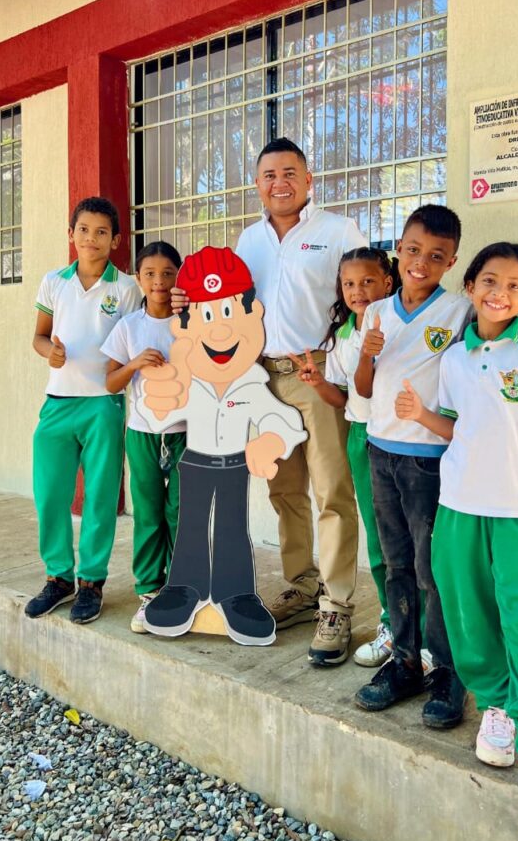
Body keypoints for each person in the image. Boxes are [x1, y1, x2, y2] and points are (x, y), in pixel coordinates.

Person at [396, 242, 518, 834]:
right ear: (471, 286)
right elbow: (457, 428)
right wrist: (421, 416)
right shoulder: (454, 359)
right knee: (469, 618)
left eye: (514, 285)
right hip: (459, 509)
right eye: (490, 280)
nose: (499, 292)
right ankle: (498, 706)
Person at [235, 138, 367, 666]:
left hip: (319, 376)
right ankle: (302, 585)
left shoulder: (338, 231)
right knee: (284, 491)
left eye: (290, 173)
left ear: (309, 180)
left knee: (333, 492)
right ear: (257, 184)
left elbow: (365, 299)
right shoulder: (248, 241)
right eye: (269, 175)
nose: (280, 183)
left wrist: (345, 360)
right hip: (265, 379)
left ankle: (336, 605)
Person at [139, 246, 307, 646]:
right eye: (206, 316)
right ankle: (184, 587)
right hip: (194, 462)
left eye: (229, 312)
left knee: (232, 527)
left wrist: (270, 441)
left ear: (253, 313)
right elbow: (157, 415)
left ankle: (236, 594)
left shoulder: (251, 383)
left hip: (235, 465)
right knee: (191, 526)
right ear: (185, 325)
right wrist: (157, 399)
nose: (218, 332)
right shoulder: (186, 377)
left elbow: (280, 418)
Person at [353, 204, 471, 728]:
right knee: (396, 563)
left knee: (432, 571)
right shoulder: (376, 311)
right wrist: (367, 353)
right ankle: (404, 662)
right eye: (414, 250)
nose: (421, 263)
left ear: (452, 262)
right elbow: (363, 388)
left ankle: (446, 671)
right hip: (381, 451)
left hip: (429, 460)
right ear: (398, 248)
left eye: (436, 256)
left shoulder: (460, 312)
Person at [26, 197, 142, 624]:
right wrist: (50, 352)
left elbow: (133, 341)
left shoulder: (126, 288)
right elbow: (39, 336)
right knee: (50, 495)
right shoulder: (54, 282)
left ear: (115, 240)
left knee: (100, 497)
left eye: (101, 232)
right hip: (58, 404)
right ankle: (58, 578)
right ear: (71, 234)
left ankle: (91, 582)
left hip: (103, 406)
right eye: (84, 230)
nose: (91, 238)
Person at [288, 247, 399, 667]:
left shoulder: (401, 322)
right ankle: (393, 622)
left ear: (388, 282)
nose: (358, 290)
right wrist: (317, 383)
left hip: (405, 441)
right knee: (379, 537)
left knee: (413, 539)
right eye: (349, 283)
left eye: (368, 281)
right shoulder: (344, 335)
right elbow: (343, 398)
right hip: (361, 436)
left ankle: (427, 631)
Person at [100, 240, 186, 635]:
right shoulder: (129, 326)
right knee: (149, 513)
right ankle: (150, 590)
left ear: (179, 277)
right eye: (150, 274)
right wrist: (134, 363)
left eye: (168, 273)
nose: (159, 281)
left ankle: (182, 587)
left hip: (186, 434)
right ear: (138, 278)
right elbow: (110, 381)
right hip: (143, 434)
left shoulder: (192, 323)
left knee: (181, 512)